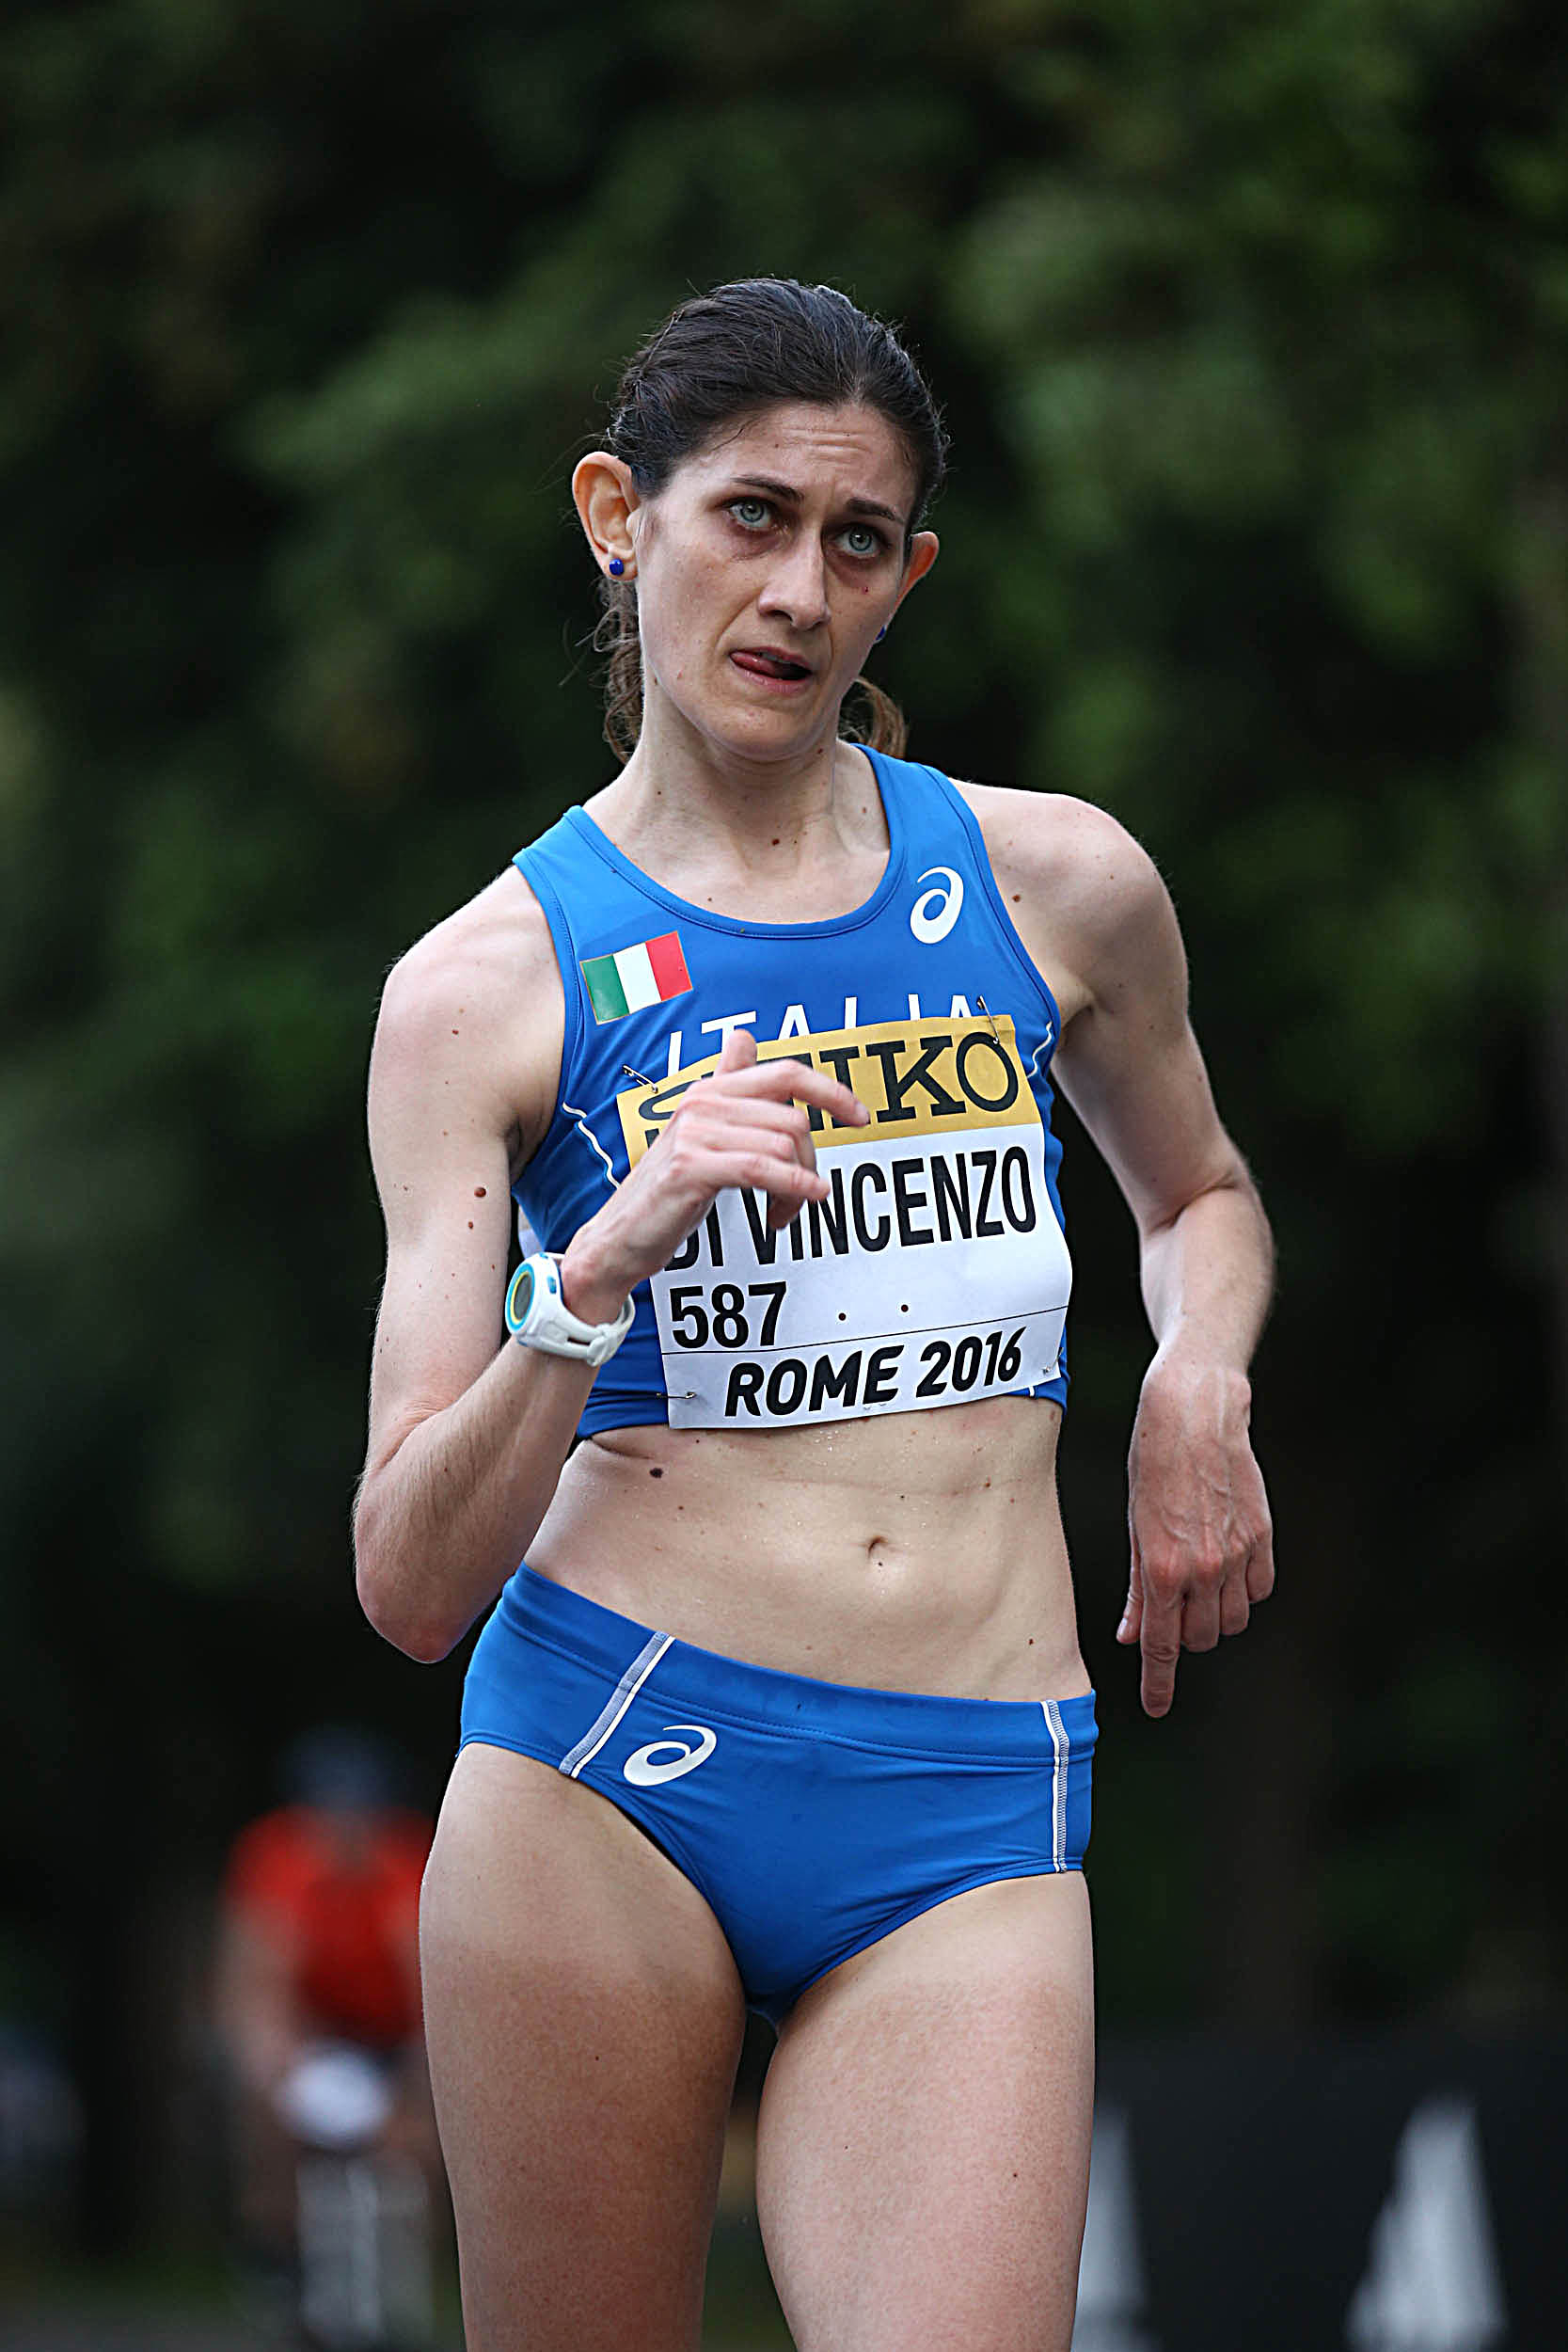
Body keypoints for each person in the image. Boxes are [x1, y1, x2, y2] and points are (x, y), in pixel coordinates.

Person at [354, 278, 1275, 2352]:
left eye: (858, 542)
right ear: (621, 515)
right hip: (604, 1765)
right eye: (751, 517)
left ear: (909, 578)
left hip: (970, 1793)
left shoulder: (1058, 885)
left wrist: (1199, 1372)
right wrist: (598, 1269)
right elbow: (407, 1575)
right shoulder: (483, 988)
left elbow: (1201, 1196)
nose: (798, 591)